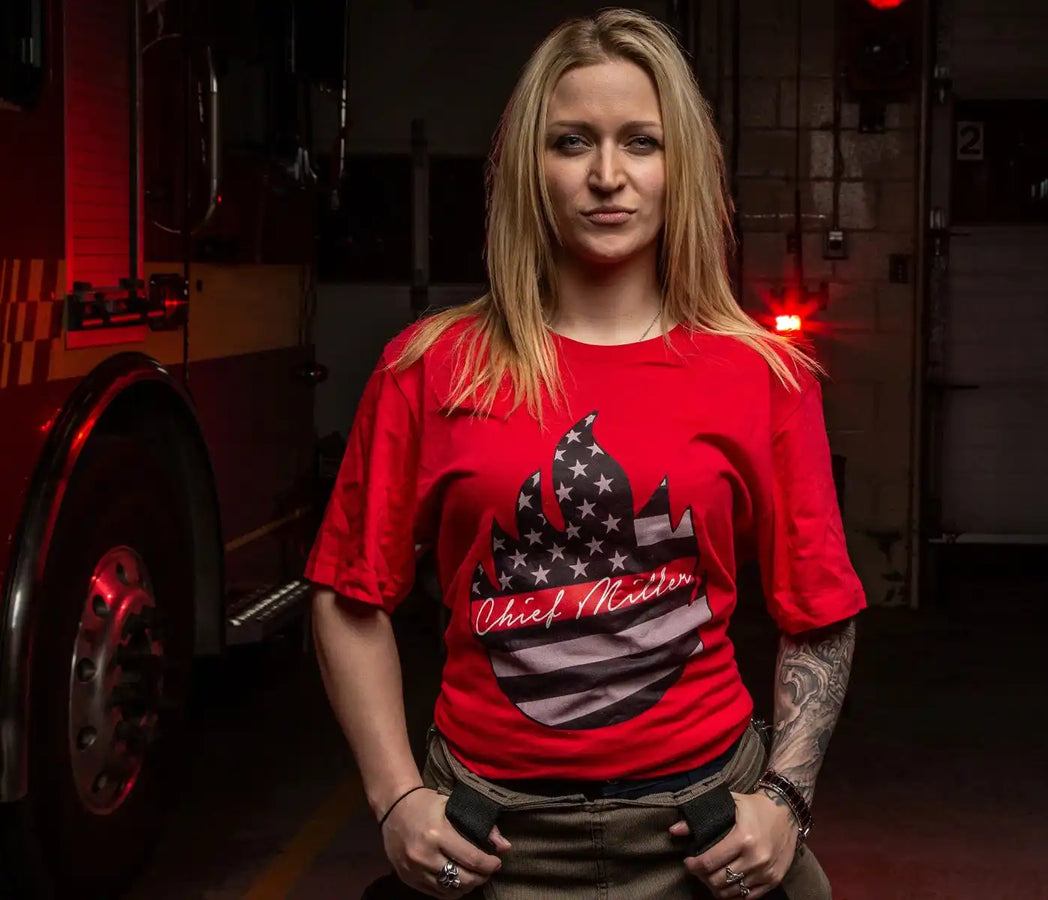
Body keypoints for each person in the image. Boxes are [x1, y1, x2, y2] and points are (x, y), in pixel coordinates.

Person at [305, 8, 865, 899]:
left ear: (679, 165)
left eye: (640, 142)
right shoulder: (429, 365)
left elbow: (819, 610)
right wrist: (395, 798)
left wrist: (786, 801)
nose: (608, 176)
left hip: (707, 832)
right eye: (573, 142)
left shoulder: (763, 374)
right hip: (487, 834)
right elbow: (349, 596)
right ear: (530, 166)